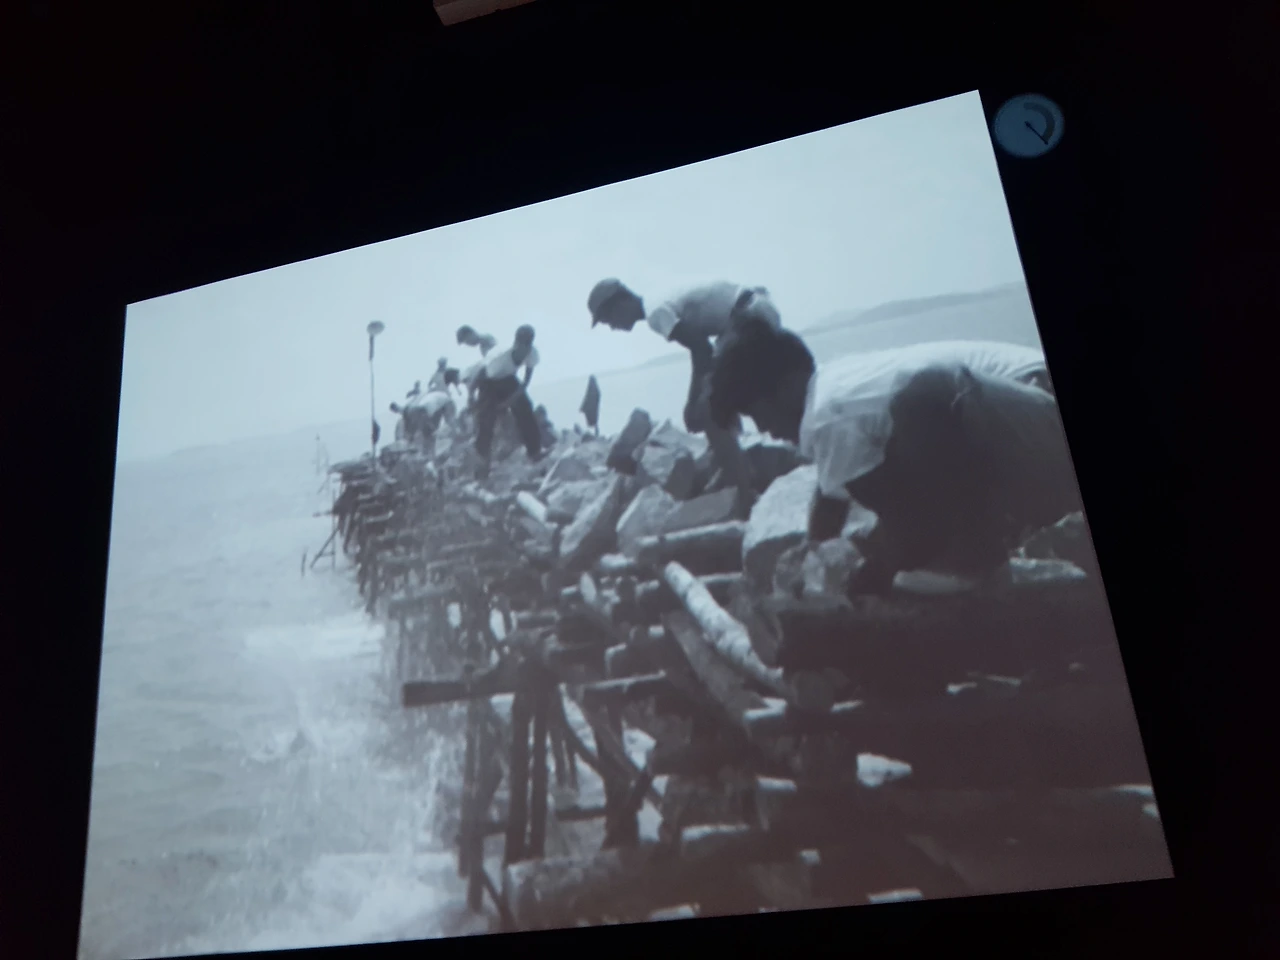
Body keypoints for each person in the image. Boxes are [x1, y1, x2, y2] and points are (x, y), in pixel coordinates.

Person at [707, 320, 1082, 595]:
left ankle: (973, 558)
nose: (764, 429)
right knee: (895, 462)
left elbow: (910, 526)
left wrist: (870, 576)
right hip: (1028, 407)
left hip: (1040, 418)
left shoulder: (828, 412)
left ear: (787, 387)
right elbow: (830, 492)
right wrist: (813, 554)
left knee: (919, 404)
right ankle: (975, 546)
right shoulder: (836, 388)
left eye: (757, 413)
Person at [587, 278, 781, 502]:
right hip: (751, 311)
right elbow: (702, 348)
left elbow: (701, 348)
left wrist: (692, 401)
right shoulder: (656, 301)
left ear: (621, 303)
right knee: (715, 398)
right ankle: (732, 467)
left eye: (608, 319)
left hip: (749, 318)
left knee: (706, 410)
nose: (612, 327)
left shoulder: (655, 313)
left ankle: (741, 490)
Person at [472, 324, 543, 478]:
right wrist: (471, 397)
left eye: (527, 345)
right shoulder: (499, 358)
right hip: (488, 380)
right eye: (521, 345)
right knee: (486, 420)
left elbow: (525, 383)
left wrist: (509, 402)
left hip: (508, 378)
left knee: (525, 409)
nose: (524, 351)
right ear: (515, 343)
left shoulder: (532, 353)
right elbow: (480, 376)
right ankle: (482, 462)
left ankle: (534, 452)